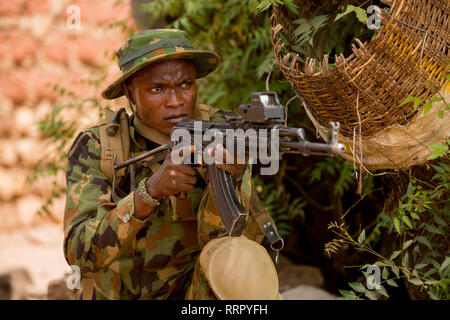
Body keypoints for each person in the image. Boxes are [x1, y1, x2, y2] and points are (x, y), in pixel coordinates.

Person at [63, 29, 280, 300]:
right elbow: (78, 254)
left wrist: (229, 178)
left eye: (185, 85)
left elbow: (225, 248)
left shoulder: (222, 132)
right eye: (157, 89)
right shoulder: (97, 146)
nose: (176, 101)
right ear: (131, 95)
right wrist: (149, 193)